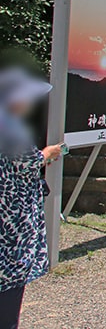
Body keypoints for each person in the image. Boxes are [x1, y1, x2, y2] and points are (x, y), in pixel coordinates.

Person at [0, 69, 63, 329]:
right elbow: (30, 160)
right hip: (13, 218)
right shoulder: (11, 129)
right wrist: (48, 153)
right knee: (12, 276)